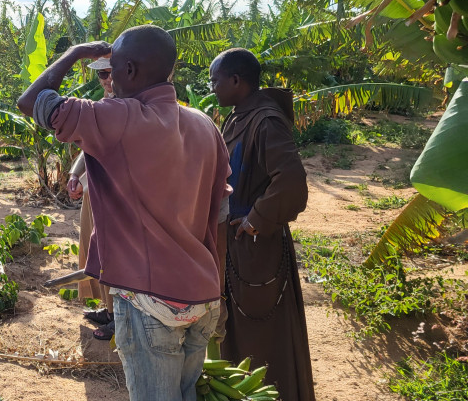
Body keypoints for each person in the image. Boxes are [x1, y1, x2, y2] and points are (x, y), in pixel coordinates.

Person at [17, 25, 231, 401]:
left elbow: (31, 100)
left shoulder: (118, 117)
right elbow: (220, 217)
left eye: (111, 68)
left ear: (130, 70)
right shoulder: (204, 124)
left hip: (152, 303)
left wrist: (75, 53)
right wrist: (217, 292)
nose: (109, 77)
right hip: (202, 298)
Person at [209, 48, 316, 401]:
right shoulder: (240, 116)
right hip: (238, 249)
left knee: (265, 339)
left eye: (216, 80)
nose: (212, 88)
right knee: (239, 338)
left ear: (236, 81)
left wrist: (255, 220)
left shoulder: (266, 120)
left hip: (258, 250)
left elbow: (291, 183)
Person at [67, 57, 116, 340]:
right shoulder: (102, 105)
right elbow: (88, 148)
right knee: (93, 247)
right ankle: (108, 309)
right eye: (101, 74)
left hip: (114, 194)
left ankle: (119, 317)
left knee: (112, 252)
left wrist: (83, 182)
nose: (106, 79)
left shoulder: (130, 107)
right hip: (93, 189)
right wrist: (76, 176)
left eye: (111, 73)